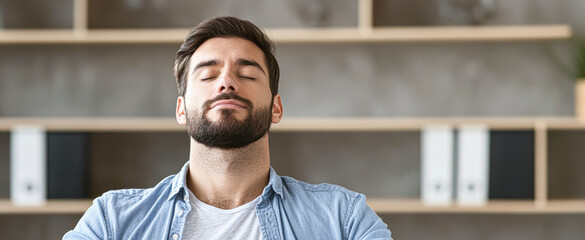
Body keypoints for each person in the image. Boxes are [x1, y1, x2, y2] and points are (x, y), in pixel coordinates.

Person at [63, 16, 392, 240]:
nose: (227, 83)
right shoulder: (113, 221)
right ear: (181, 110)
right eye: (207, 75)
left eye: (247, 74)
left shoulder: (343, 219)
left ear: (276, 108)